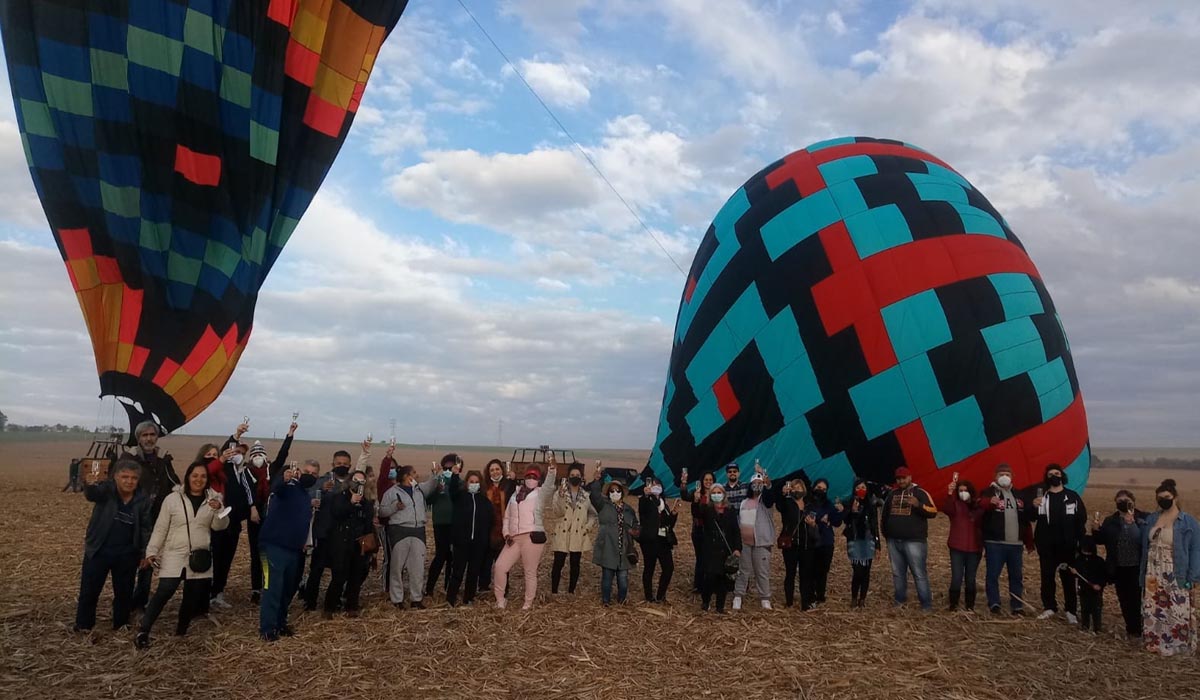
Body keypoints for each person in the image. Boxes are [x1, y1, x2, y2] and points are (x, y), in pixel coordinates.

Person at [136, 461, 229, 648]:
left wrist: (219, 510)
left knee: (192, 596)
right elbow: (161, 528)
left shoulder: (214, 499)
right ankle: (143, 631)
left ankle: (181, 631)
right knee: (164, 591)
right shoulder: (172, 499)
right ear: (188, 476)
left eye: (203, 476)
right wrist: (152, 551)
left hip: (199, 556)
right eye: (195, 475)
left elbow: (220, 526)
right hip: (175, 553)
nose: (199, 480)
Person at [74, 459, 154, 633]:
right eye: (124, 477)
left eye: (133, 478)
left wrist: (144, 553)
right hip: (99, 549)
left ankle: (120, 624)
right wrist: (89, 484)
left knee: (124, 593)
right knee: (89, 590)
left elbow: (146, 528)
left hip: (127, 553)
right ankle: (83, 625)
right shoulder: (106, 490)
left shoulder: (143, 499)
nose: (129, 481)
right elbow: (92, 494)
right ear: (115, 477)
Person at [122, 420, 179, 610]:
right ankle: (124, 599)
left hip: (154, 518)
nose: (149, 438)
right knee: (129, 558)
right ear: (138, 438)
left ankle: (141, 600)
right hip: (132, 517)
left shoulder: (163, 459)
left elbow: (174, 483)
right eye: (145, 435)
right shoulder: (128, 459)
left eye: (152, 435)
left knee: (148, 557)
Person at [258, 461, 318, 641]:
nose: (309, 475)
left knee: (286, 589)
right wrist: (284, 479)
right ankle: (267, 629)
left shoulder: (305, 496)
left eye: (314, 474)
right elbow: (276, 488)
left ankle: (280, 623)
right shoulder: (288, 487)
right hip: (271, 546)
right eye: (306, 471)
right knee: (272, 587)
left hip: (293, 550)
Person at [1141, 479, 1199, 657]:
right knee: (1154, 607)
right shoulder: (1152, 518)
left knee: (1177, 608)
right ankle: (1155, 642)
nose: (1163, 501)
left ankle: (1177, 646)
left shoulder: (1188, 521)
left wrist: (1193, 576)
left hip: (1175, 571)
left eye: (1166, 497)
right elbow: (1144, 544)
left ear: (1175, 497)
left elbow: (1196, 549)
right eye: (1159, 498)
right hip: (1152, 572)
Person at [494, 463, 558, 609]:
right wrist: (506, 533)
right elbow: (507, 517)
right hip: (514, 538)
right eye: (528, 476)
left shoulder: (540, 494)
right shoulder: (515, 494)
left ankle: (528, 603)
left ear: (538, 479)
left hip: (532, 536)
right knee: (500, 566)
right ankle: (500, 600)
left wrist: (552, 471)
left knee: (529, 571)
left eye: (534, 476)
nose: (530, 479)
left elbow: (549, 485)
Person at [246, 422, 295, 604]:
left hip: (271, 518)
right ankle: (255, 589)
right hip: (254, 519)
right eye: (255, 455)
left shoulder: (272, 470)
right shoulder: (247, 473)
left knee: (267, 553)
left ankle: (267, 584)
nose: (258, 458)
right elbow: (246, 492)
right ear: (251, 458)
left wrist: (289, 435)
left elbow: (282, 455)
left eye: (261, 454)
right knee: (255, 554)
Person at [1031, 463, 1086, 624]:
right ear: (1046, 478)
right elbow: (1030, 517)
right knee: (1047, 577)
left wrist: (1079, 544)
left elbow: (1081, 520)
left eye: (1057, 473)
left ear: (1062, 475)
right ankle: (1049, 607)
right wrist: (1033, 506)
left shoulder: (1073, 496)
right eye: (1050, 474)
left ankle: (1071, 611)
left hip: (1068, 547)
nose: (1054, 476)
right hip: (1046, 546)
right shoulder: (1042, 497)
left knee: (1069, 579)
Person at [378, 463, 438, 608]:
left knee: (417, 567)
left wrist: (435, 474)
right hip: (399, 530)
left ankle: (416, 599)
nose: (417, 475)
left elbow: (432, 485)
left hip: (418, 530)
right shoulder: (391, 492)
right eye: (414, 472)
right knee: (397, 567)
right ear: (406, 476)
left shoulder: (419, 490)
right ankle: (397, 599)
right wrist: (394, 507)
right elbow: (381, 512)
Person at [210, 440, 260, 611]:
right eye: (236, 451)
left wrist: (252, 508)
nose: (239, 455)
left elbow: (248, 491)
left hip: (235, 523)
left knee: (226, 559)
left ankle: (218, 594)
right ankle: (208, 594)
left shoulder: (243, 472)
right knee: (215, 558)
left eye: (242, 453)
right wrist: (236, 434)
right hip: (220, 522)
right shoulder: (224, 470)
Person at [302, 449, 355, 610]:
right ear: (332, 464)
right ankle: (309, 602)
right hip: (323, 532)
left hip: (341, 535)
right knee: (317, 570)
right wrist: (322, 492)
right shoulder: (323, 480)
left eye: (345, 464)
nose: (342, 466)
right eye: (339, 463)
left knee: (339, 571)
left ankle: (334, 601)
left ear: (350, 465)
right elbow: (308, 494)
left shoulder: (351, 483)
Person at [1094, 489, 1148, 638]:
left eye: (1126, 501)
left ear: (1133, 502)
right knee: (1124, 599)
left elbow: (1148, 539)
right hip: (1118, 566)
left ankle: (1141, 628)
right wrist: (1095, 531)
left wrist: (1133, 523)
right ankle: (1131, 629)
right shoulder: (1110, 520)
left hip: (1138, 566)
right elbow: (1101, 540)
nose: (1123, 504)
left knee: (1138, 599)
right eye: (1119, 501)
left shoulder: (1143, 518)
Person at [881, 467, 937, 611]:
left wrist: (918, 505)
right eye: (898, 478)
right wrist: (886, 533)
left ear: (910, 477)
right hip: (893, 540)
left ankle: (926, 604)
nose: (901, 481)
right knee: (898, 573)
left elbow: (933, 511)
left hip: (914, 541)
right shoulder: (892, 494)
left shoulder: (920, 493)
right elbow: (884, 515)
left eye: (904, 478)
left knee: (919, 573)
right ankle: (899, 599)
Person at [978, 463, 1032, 615]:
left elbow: (1028, 517)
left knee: (1016, 576)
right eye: (1001, 474)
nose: (1004, 477)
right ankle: (994, 603)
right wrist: (987, 503)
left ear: (1012, 476)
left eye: (1007, 474)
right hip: (995, 543)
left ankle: (1017, 605)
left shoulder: (1020, 494)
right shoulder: (988, 492)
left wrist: (1034, 506)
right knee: (993, 575)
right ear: (995, 476)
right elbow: (977, 507)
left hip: (1016, 544)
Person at [323, 470, 375, 618]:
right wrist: (351, 503)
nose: (358, 484)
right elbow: (337, 513)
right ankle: (330, 607)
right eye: (356, 480)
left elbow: (368, 522)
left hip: (360, 544)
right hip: (342, 543)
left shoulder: (366, 501)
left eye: (362, 481)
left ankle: (351, 606)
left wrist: (371, 546)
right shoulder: (340, 497)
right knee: (339, 577)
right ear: (349, 481)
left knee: (356, 577)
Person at [445, 470, 494, 606]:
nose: (474, 484)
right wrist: (455, 475)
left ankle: (469, 598)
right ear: (466, 483)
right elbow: (452, 490)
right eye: (471, 482)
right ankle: (451, 598)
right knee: (457, 572)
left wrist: (485, 541)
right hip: (461, 543)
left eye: (476, 482)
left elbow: (489, 522)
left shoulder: (485, 502)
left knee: (473, 573)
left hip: (478, 544)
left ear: (480, 484)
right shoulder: (459, 497)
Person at [589, 473, 639, 606]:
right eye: (612, 491)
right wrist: (596, 481)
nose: (615, 493)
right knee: (607, 576)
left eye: (617, 490)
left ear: (622, 493)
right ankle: (606, 600)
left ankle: (622, 600)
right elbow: (594, 496)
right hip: (608, 546)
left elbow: (636, 524)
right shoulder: (603, 506)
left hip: (625, 547)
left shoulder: (629, 510)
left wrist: (635, 531)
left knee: (623, 578)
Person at [692, 483, 740, 613]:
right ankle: (706, 602)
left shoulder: (730, 510)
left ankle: (720, 606)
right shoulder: (707, 509)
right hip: (710, 548)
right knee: (710, 577)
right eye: (714, 492)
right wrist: (697, 501)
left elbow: (735, 530)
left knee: (723, 579)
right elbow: (697, 513)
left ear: (724, 494)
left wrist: (737, 548)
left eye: (719, 492)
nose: (717, 495)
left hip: (725, 548)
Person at [551, 464, 597, 595]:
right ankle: (554, 591)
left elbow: (593, 514)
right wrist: (560, 497)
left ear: (581, 478)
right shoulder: (559, 493)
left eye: (577, 476)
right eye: (572, 476)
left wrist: (587, 527)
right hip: (562, 532)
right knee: (558, 563)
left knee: (575, 564)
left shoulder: (586, 496)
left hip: (578, 534)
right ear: (567, 477)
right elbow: (557, 512)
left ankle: (571, 591)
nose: (575, 478)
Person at [732, 472, 776, 611]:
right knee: (743, 570)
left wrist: (768, 484)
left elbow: (770, 497)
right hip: (745, 542)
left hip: (761, 542)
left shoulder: (765, 502)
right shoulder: (745, 502)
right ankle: (738, 595)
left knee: (761, 571)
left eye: (759, 483)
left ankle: (765, 598)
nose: (757, 486)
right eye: (754, 484)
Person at [941, 476, 982, 611]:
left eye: (965, 490)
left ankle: (970, 606)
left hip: (974, 548)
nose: (963, 493)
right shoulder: (955, 505)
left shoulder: (977, 506)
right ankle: (953, 604)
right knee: (956, 577)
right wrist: (949, 493)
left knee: (970, 578)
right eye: (960, 490)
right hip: (957, 547)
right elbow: (947, 508)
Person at [803, 477, 844, 607]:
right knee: (810, 570)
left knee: (822, 571)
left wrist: (841, 511)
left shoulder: (828, 504)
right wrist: (822, 520)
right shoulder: (806, 502)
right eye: (819, 488)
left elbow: (837, 522)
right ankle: (810, 595)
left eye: (824, 489)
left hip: (826, 542)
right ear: (813, 487)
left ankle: (820, 595)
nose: (821, 491)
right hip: (810, 541)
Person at [637, 476, 678, 603]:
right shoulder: (645, 500)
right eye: (652, 484)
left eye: (658, 484)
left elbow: (669, 523)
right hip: (650, 540)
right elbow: (642, 510)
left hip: (663, 540)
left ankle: (661, 595)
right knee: (650, 568)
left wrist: (673, 514)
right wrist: (645, 495)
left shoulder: (663, 503)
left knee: (668, 568)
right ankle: (649, 596)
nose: (655, 486)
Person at [425, 454, 461, 598]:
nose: (447, 470)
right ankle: (429, 588)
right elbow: (429, 501)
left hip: (455, 524)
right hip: (440, 523)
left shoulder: (460, 482)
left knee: (452, 557)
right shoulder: (438, 481)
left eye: (450, 467)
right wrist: (436, 489)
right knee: (440, 555)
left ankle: (448, 587)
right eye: (445, 467)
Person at [843, 478, 880, 608]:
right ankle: (854, 597)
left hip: (868, 540)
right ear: (854, 489)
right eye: (858, 488)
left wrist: (878, 545)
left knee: (866, 571)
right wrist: (853, 511)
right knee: (857, 571)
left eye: (863, 488)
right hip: (854, 540)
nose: (861, 490)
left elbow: (875, 525)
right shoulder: (849, 502)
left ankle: (862, 599)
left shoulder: (871, 504)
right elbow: (845, 520)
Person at [480, 459, 516, 593]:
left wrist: (513, 480)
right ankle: (483, 586)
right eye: (492, 470)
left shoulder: (508, 486)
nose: (495, 472)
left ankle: (503, 588)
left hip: (503, 528)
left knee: (503, 561)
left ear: (502, 470)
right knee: (486, 561)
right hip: (488, 528)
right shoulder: (485, 488)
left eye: (497, 469)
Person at [679, 469, 715, 594]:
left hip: (712, 531)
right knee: (700, 558)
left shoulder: (716, 493)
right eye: (706, 480)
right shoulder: (697, 493)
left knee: (711, 558)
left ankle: (710, 584)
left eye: (710, 480)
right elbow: (684, 497)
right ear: (702, 481)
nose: (708, 482)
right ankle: (698, 585)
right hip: (699, 531)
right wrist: (683, 483)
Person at [1071, 536, 1106, 633]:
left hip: (1096, 590)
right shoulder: (1079, 560)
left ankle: (1097, 628)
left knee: (1096, 609)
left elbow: (1104, 576)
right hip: (1084, 589)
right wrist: (1074, 572)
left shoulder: (1099, 561)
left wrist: (1100, 585)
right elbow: (1076, 574)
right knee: (1084, 608)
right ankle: (1085, 625)